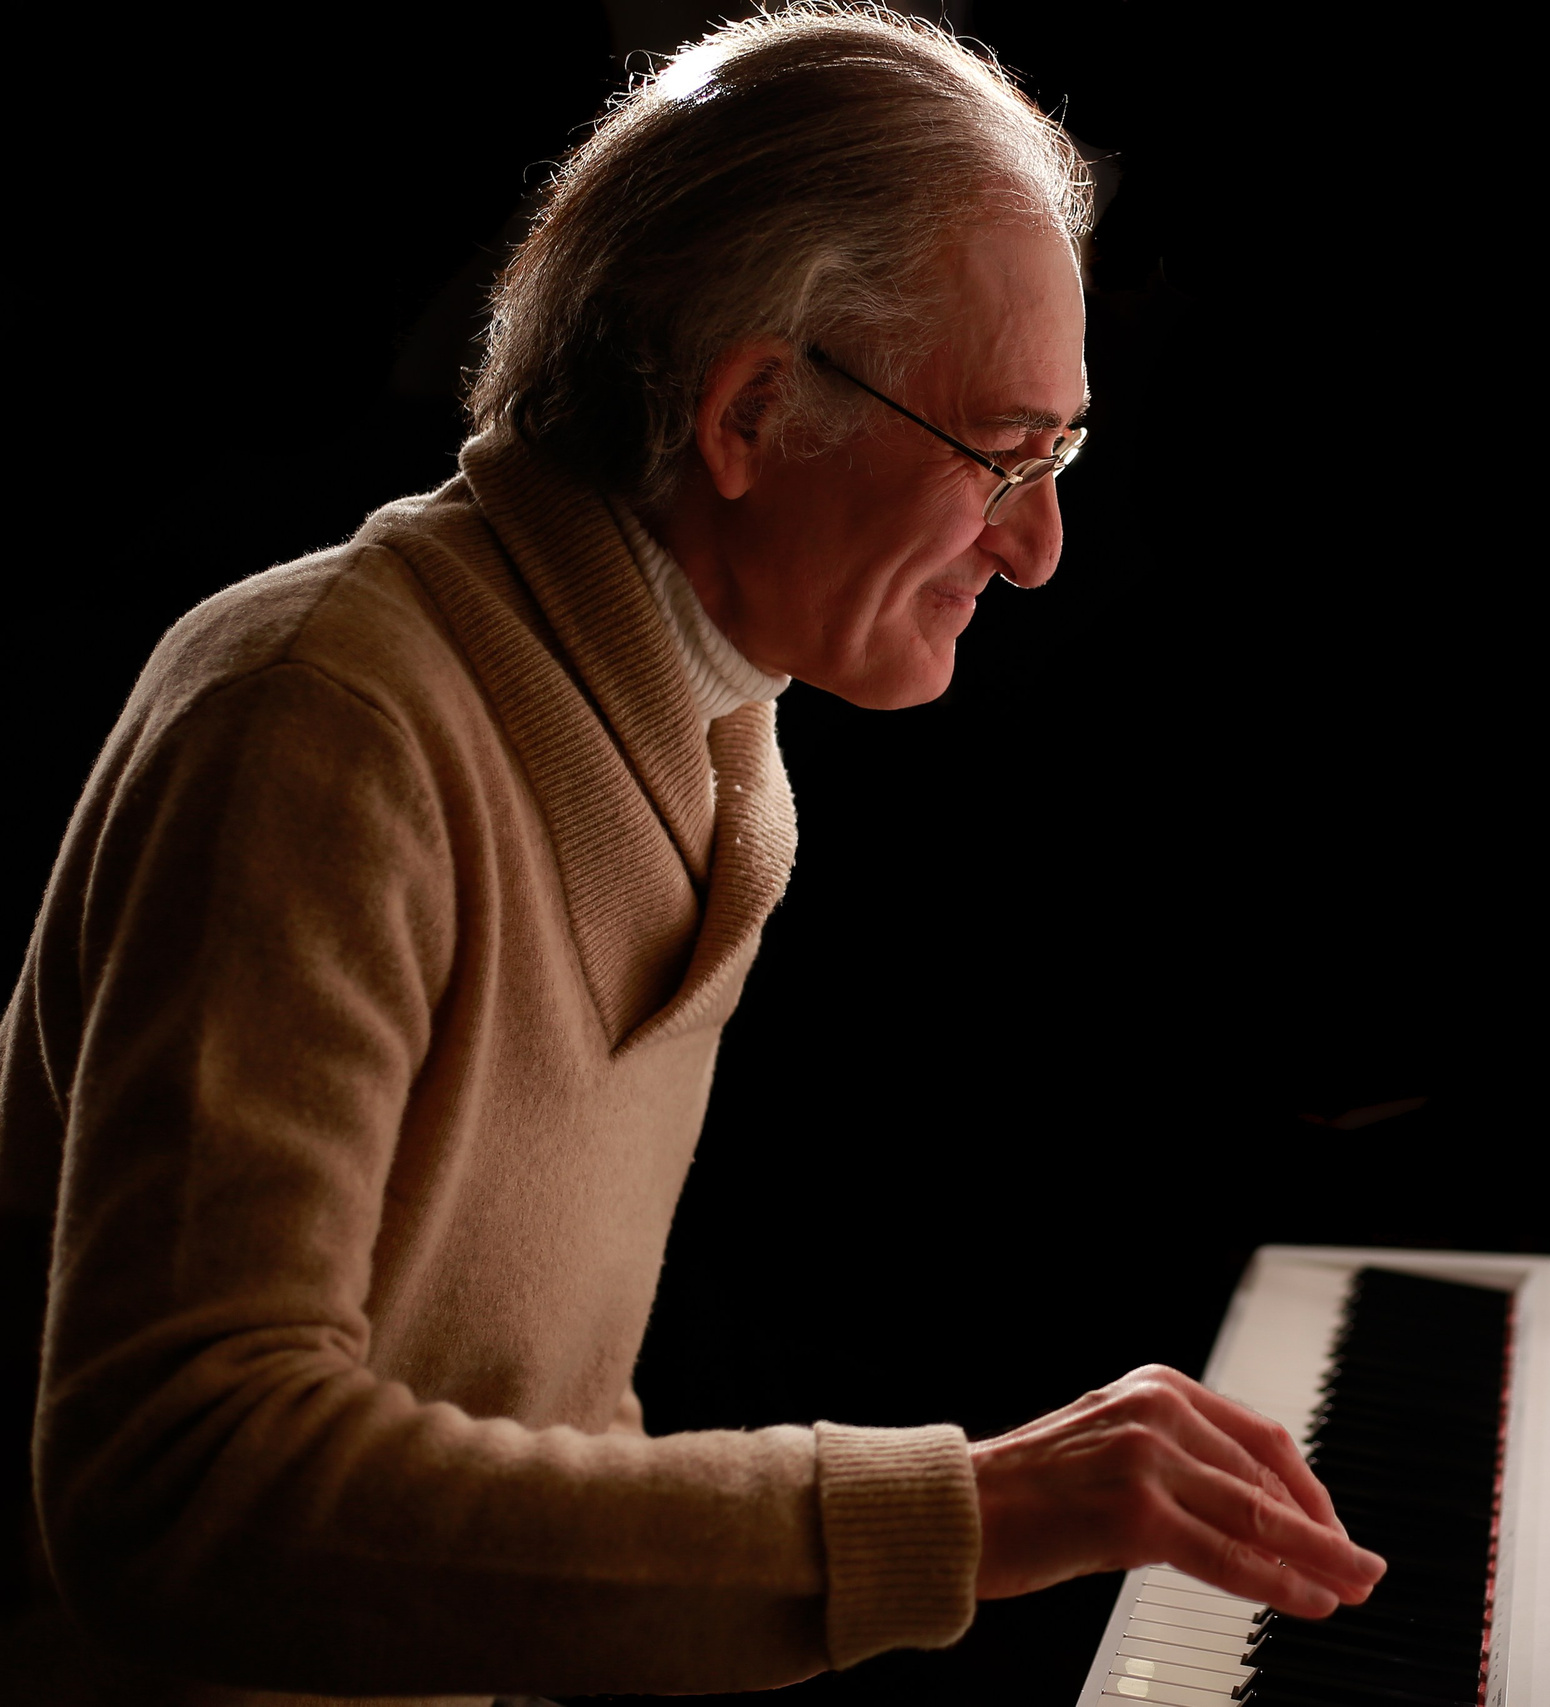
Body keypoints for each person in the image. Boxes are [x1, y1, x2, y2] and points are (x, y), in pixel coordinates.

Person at [0, 8, 1384, 1700]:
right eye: (1000, 457)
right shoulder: (324, 721)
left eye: (1062, 455)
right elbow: (182, 1496)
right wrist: (955, 1513)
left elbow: (531, 1458)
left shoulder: (707, 733)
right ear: (748, 414)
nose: (1037, 548)